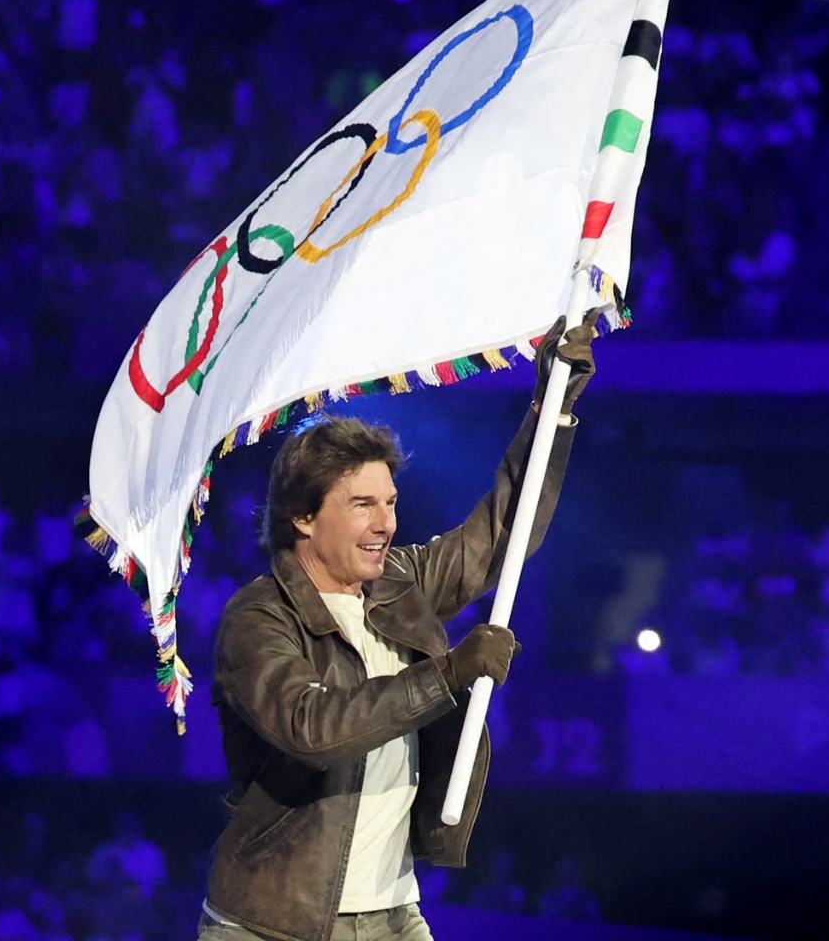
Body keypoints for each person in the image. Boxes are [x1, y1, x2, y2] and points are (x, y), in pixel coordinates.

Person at [196, 315, 599, 941]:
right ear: (303, 516)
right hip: (271, 924)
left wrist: (552, 410)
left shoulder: (400, 583)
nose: (386, 523)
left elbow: (501, 535)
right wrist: (449, 673)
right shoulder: (258, 618)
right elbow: (313, 728)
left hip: (392, 915)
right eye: (362, 505)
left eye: (389, 501)